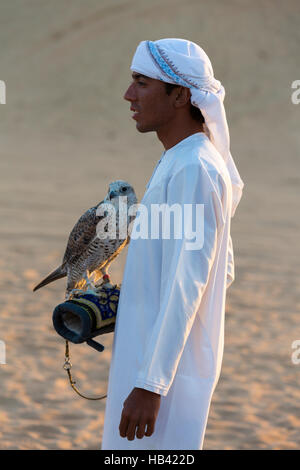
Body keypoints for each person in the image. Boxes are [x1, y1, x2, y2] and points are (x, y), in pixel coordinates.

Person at [101, 38, 244, 450]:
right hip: (149, 360)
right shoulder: (180, 159)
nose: (129, 95)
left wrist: (151, 384)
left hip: (163, 384)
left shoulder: (195, 167)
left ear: (180, 95)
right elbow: (222, 269)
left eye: (141, 83)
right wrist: (131, 303)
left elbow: (188, 283)